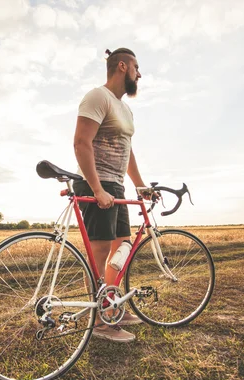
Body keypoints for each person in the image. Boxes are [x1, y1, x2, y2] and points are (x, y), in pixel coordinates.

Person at [73, 47, 151, 342]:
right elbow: (81, 142)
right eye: (136, 67)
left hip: (116, 187)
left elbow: (127, 153)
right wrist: (96, 188)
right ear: (122, 66)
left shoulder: (125, 109)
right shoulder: (98, 97)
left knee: (123, 249)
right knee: (100, 254)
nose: (139, 74)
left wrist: (140, 187)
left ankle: (112, 306)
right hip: (97, 185)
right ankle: (99, 323)